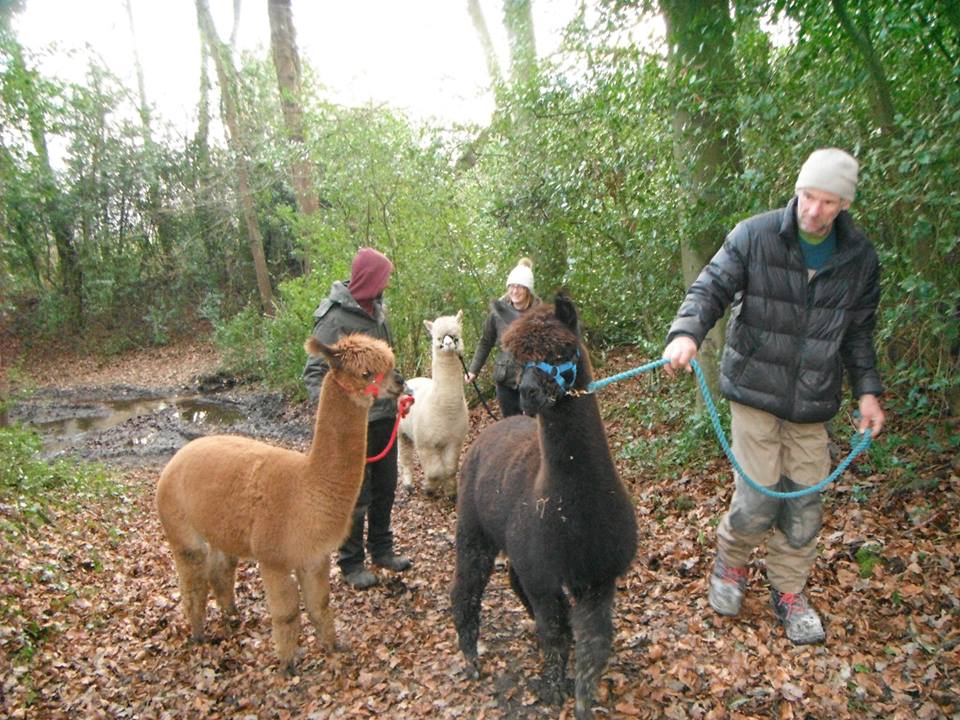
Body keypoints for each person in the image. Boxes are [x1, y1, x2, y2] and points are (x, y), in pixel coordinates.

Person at [661, 148, 886, 645]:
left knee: (805, 506)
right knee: (760, 497)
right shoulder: (754, 235)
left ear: (844, 204)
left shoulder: (860, 258)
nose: (814, 210)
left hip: (813, 402)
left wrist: (868, 392)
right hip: (754, 391)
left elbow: (859, 335)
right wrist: (687, 333)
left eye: (828, 202)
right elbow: (710, 288)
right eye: (808, 196)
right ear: (797, 190)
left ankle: (788, 590)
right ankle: (731, 564)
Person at [303, 247, 411, 589]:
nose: (387, 284)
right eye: (384, 278)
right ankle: (351, 563)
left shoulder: (378, 312)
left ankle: (382, 549)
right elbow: (314, 373)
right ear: (370, 279)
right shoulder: (334, 319)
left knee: (385, 487)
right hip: (354, 425)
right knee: (355, 493)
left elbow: (384, 366)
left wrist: (401, 389)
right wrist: (337, 415)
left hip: (384, 418)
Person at [464, 258, 541, 417]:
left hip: (532, 382)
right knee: (510, 426)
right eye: (512, 286)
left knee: (531, 428)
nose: (515, 291)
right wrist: (473, 370)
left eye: (520, 287)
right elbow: (486, 342)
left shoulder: (540, 313)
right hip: (505, 380)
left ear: (528, 289)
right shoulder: (498, 312)